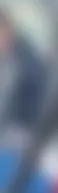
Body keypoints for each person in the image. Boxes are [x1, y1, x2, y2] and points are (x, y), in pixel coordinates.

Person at [0, 8, 47, 139]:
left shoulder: (24, 61)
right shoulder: (8, 56)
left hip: (17, 131)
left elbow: (9, 103)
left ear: (7, 30)